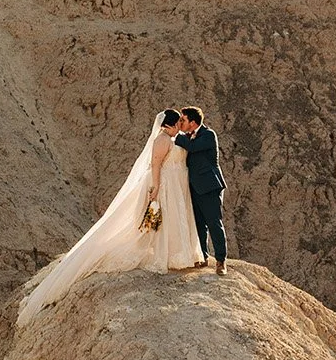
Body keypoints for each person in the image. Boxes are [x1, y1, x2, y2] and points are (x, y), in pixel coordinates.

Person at [17, 109, 205, 326]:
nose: (180, 125)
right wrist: (155, 188)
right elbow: (155, 165)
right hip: (164, 185)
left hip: (175, 186)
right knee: (159, 221)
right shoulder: (163, 140)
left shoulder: (173, 139)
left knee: (172, 220)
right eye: (178, 122)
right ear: (169, 125)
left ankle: (176, 252)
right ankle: (166, 253)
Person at [173, 106, 227, 275]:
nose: (180, 123)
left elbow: (193, 147)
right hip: (193, 187)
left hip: (209, 186)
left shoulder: (208, 135)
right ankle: (203, 256)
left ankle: (220, 261)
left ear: (193, 122)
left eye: (183, 120)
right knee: (198, 225)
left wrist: (175, 135)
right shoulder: (188, 137)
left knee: (214, 223)